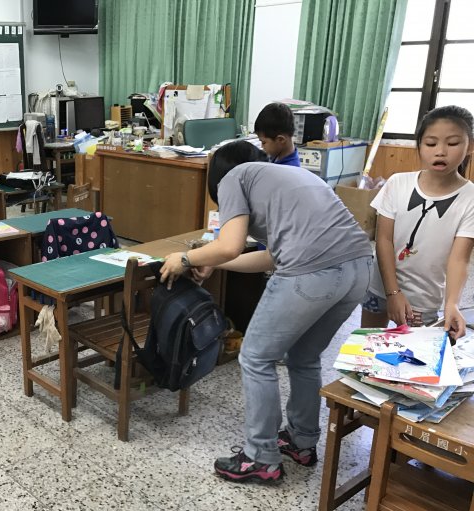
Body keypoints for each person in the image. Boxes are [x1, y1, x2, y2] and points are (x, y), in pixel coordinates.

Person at [160, 141, 372, 483]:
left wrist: (185, 258)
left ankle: (261, 457)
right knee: (305, 357)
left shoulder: (233, 177)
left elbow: (229, 245)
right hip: (358, 269)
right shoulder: (291, 178)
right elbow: (270, 257)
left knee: (255, 357)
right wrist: (216, 263)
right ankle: (302, 442)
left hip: (312, 272)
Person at [361, 105, 474, 338]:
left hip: (423, 298)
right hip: (381, 286)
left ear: (470, 146)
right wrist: (393, 293)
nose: (440, 151)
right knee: (368, 343)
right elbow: (384, 240)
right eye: (431, 143)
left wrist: (452, 303)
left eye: (453, 143)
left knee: (414, 354)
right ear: (420, 146)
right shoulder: (397, 183)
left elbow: (459, 259)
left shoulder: (470, 197)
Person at [254, 102, 301, 167]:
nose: (262, 146)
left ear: (281, 140)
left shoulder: (288, 169)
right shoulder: (277, 154)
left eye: (264, 142)